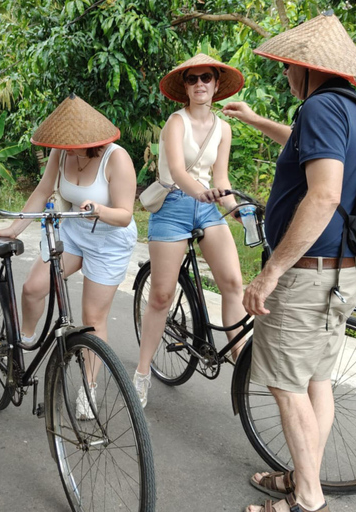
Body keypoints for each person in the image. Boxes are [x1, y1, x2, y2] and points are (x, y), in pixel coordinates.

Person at [222, 12, 356, 512]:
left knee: (287, 387)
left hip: (306, 276)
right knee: (315, 381)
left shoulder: (321, 109)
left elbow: (324, 194)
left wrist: (271, 272)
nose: (285, 75)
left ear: (308, 69)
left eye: (289, 66)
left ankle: (308, 498)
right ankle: (299, 479)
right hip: (341, 270)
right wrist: (252, 120)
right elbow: (301, 146)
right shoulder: (353, 110)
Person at [0, 94, 137, 419]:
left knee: (92, 319)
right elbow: (43, 191)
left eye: (73, 143)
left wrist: (98, 209)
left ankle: (89, 387)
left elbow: (125, 214)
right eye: (62, 143)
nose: (66, 148)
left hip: (109, 238)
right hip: (73, 231)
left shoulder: (117, 158)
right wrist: (15, 228)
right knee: (33, 288)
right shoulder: (61, 152)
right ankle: (23, 340)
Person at [133, 53, 247, 407]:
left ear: (216, 85)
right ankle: (142, 372)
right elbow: (180, 172)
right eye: (193, 79)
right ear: (184, 87)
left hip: (208, 207)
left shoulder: (223, 128)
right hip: (173, 206)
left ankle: (239, 359)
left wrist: (237, 210)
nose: (200, 84)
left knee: (233, 284)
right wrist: (203, 194)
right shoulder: (176, 122)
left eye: (207, 78)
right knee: (162, 296)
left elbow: (222, 179)